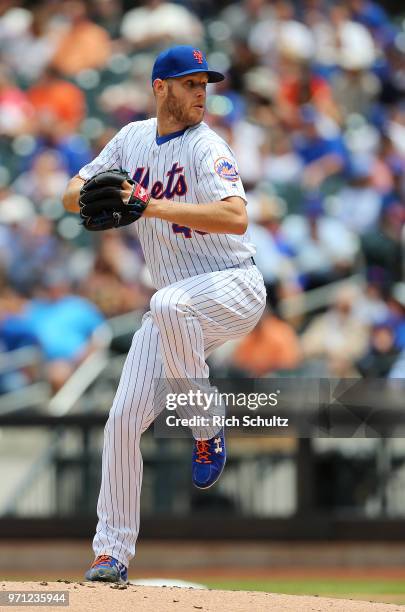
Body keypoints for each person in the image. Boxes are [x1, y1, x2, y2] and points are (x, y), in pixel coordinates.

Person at [62, 45, 266, 584]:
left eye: (205, 83)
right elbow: (71, 192)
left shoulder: (207, 145)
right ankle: (111, 553)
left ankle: (206, 425)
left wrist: (147, 204)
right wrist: (88, 198)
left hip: (232, 287)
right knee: (124, 421)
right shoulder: (131, 139)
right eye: (190, 82)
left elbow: (236, 216)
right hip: (174, 306)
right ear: (161, 88)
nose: (201, 92)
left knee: (167, 302)